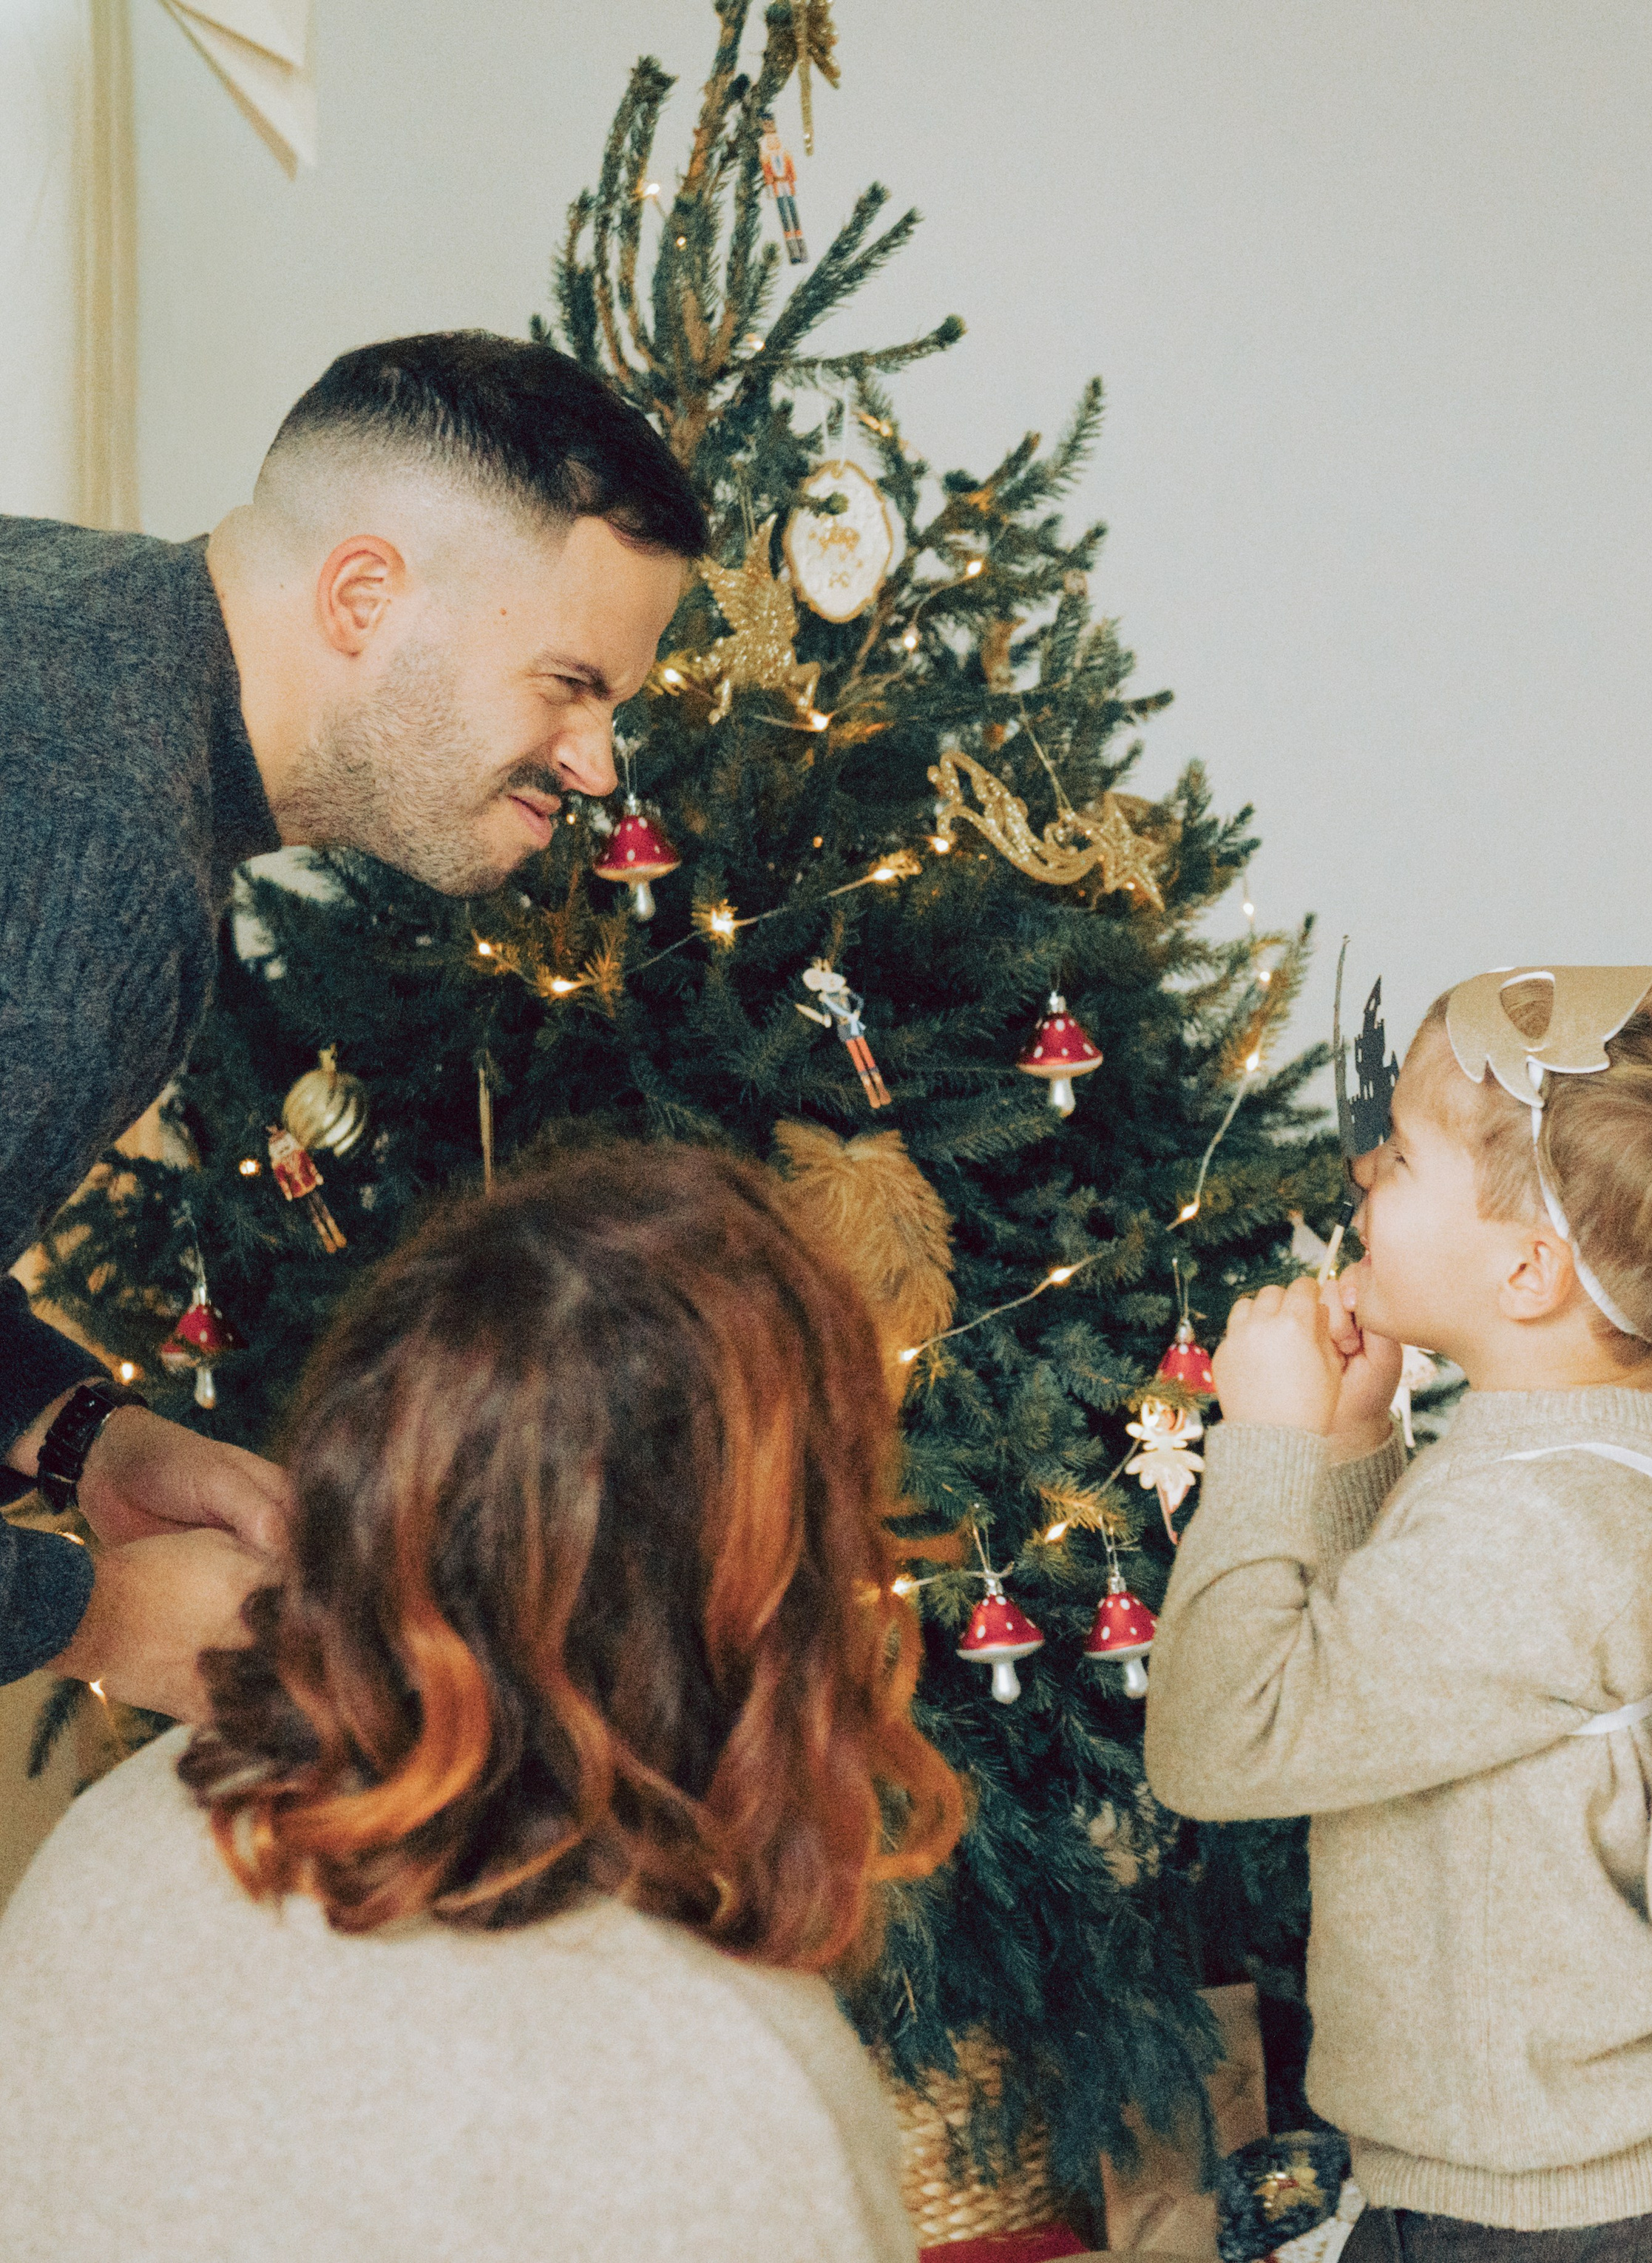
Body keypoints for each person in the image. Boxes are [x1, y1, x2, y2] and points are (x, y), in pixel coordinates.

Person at [0, 1142, 964, 2261]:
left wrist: (83, 1448)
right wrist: (95, 1607)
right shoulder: (733, 2087)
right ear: (781, 1589)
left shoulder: (109, 1844)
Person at [0, 331, 706, 1718]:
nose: (597, 765)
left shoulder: (59, 610)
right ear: (365, 596)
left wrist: (81, 1433)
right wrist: (104, 1616)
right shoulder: (103, 850)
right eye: (570, 684)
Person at [1146, 967, 1652, 2262]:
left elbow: (1222, 1742)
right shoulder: (1612, 1448)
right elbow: (1399, 1686)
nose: (1362, 1176)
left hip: (1538, 2217)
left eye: (1398, 1155)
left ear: (1527, 1270)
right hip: (1605, 2173)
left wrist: (1266, 1444)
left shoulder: (1527, 1524)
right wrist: (1358, 1449)